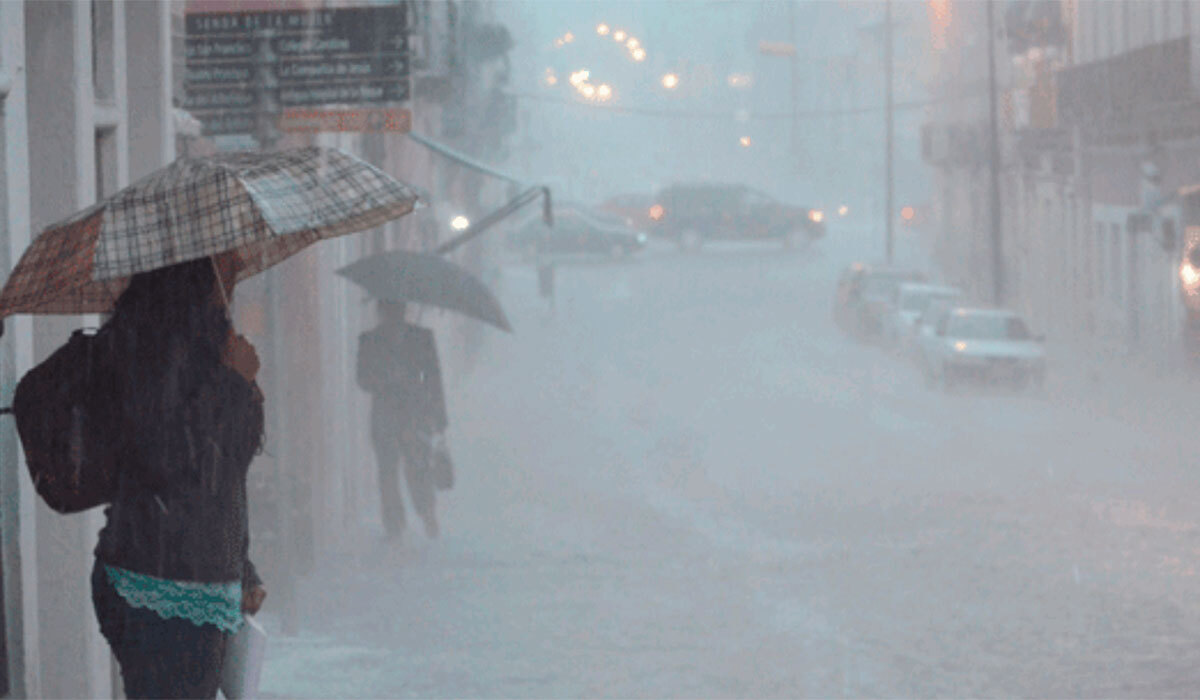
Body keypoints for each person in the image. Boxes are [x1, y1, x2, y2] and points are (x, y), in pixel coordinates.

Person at [90, 257, 267, 699]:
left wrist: (242, 568)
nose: (237, 268)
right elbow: (177, 462)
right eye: (223, 263)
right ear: (191, 277)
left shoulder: (199, 346)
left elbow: (225, 484)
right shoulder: (158, 357)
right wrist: (234, 382)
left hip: (171, 573)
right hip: (168, 581)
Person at [357, 300, 448, 539]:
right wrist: (386, 379)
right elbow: (363, 379)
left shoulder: (422, 338)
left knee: (417, 467)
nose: (392, 316)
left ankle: (426, 512)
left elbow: (433, 377)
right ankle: (394, 525)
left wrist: (439, 416)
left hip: (413, 414)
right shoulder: (369, 340)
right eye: (389, 311)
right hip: (385, 415)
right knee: (388, 472)